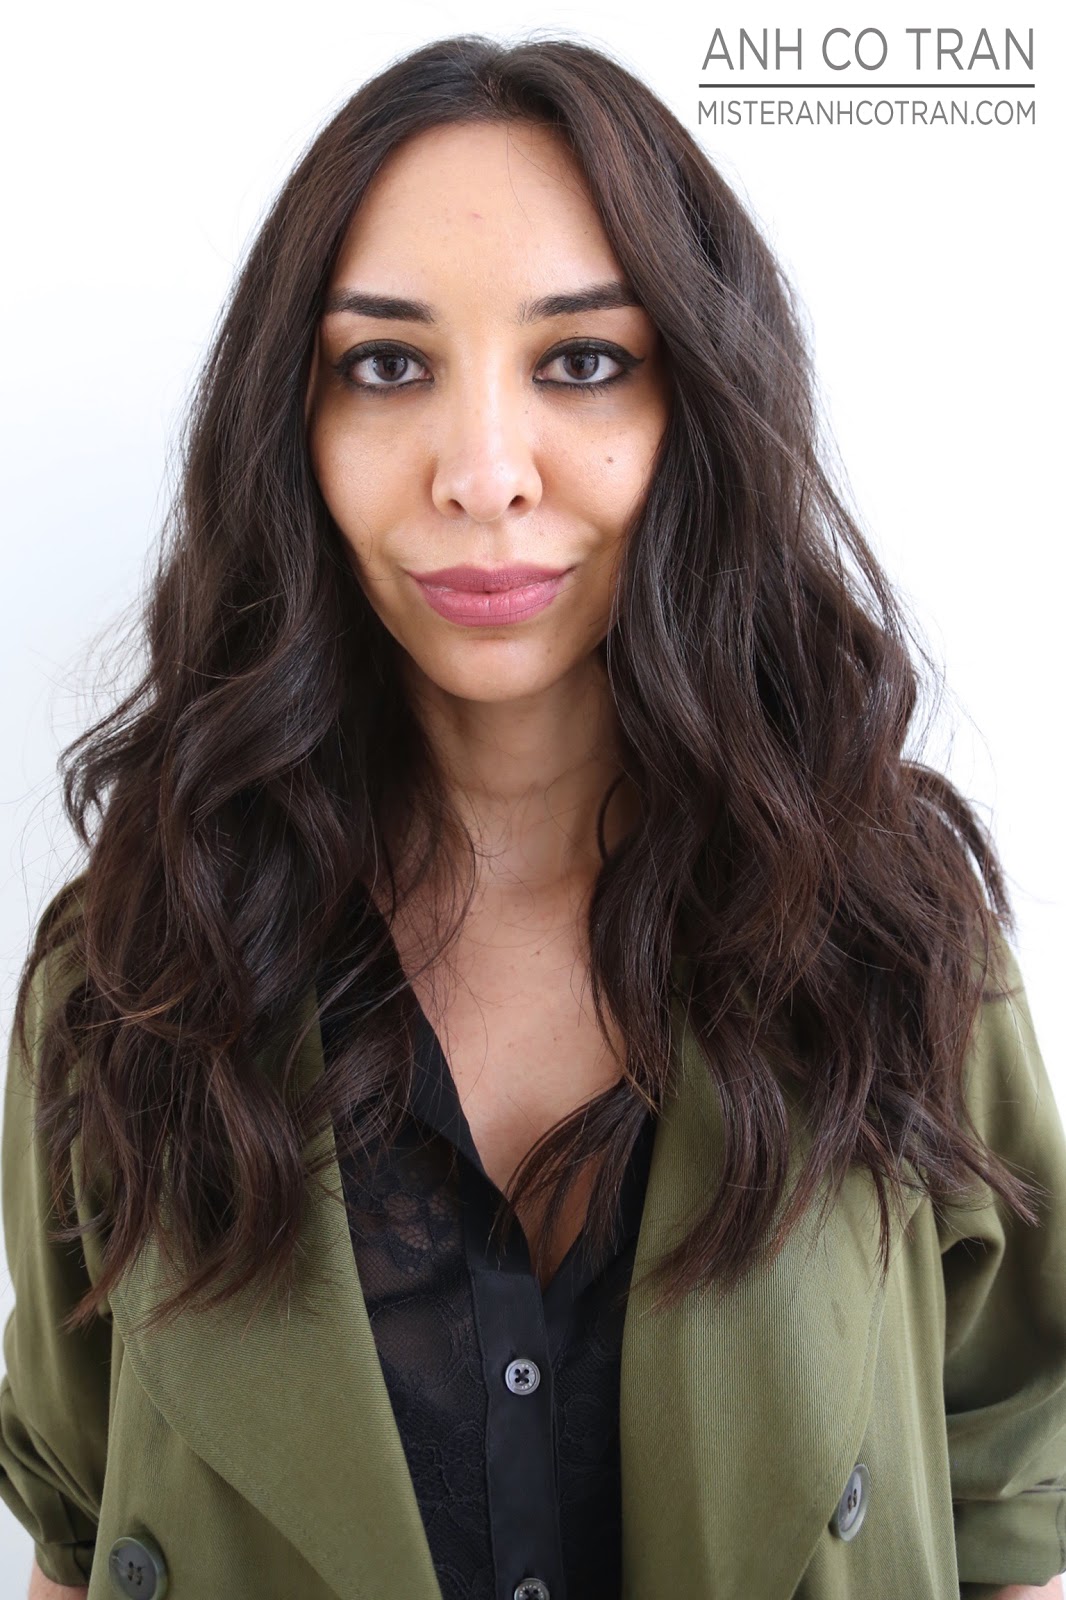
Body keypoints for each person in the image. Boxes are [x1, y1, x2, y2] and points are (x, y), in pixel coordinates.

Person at [1, 32, 1064, 1600]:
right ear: (290, 427)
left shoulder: (885, 922)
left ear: (698, 400)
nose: (484, 475)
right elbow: (78, 1529)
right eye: (385, 366)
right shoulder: (136, 969)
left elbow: (1009, 1500)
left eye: (580, 361)